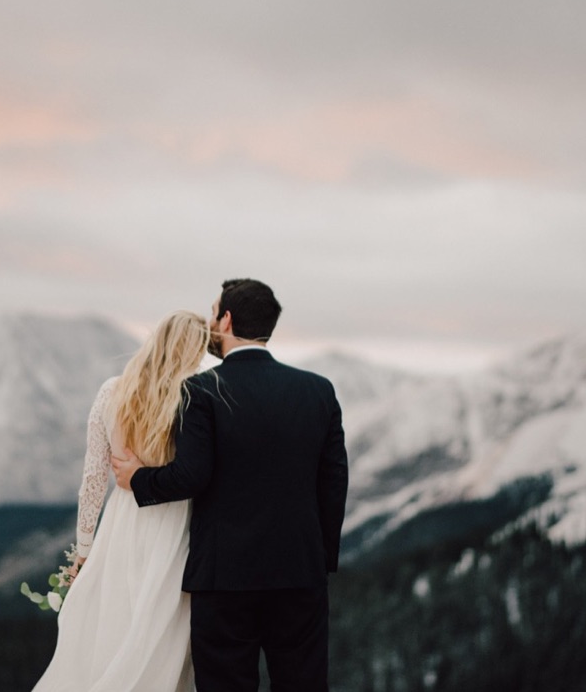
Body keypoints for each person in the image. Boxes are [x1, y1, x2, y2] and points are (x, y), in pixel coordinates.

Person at [112, 278, 349, 692]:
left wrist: (138, 479)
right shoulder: (318, 390)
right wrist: (319, 558)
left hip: (225, 580)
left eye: (212, 311)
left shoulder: (201, 390)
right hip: (300, 572)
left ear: (226, 320)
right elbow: (333, 484)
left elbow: (192, 474)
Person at [31, 310, 210, 692]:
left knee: (112, 625)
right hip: (175, 525)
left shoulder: (113, 391)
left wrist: (83, 548)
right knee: (162, 636)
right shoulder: (195, 396)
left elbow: (94, 478)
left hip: (123, 521)